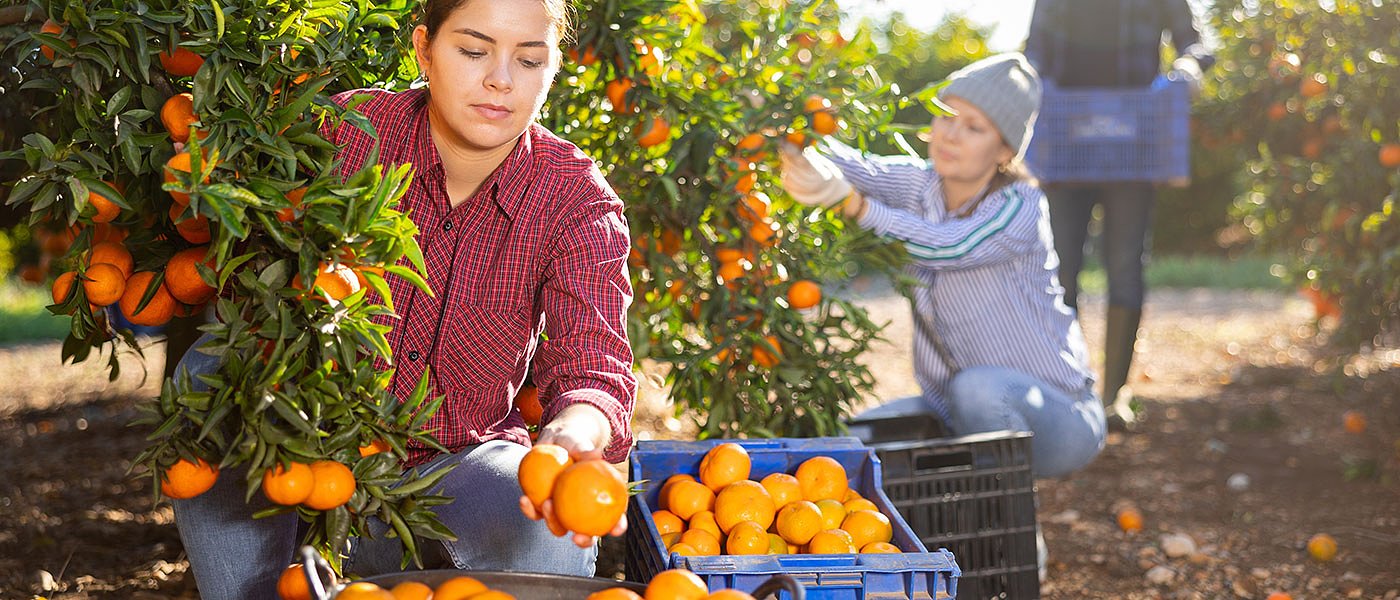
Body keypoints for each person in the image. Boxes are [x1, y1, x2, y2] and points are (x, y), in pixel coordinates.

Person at [170, 0, 636, 597]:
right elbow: (248, 289)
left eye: (529, 59)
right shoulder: (341, 136)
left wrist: (575, 428)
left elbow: (594, 358)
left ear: (552, 70)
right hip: (306, 465)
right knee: (208, 378)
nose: (501, 78)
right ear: (424, 49)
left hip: (457, 474)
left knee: (537, 511)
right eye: (473, 50)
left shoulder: (572, 196)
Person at [779, 53, 1105, 480]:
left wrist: (854, 204)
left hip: (1060, 419)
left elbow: (949, 246)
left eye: (974, 127)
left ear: (1004, 149)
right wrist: (784, 132)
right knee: (852, 442)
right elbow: (856, 165)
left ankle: (1015, 532)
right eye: (947, 116)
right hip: (956, 411)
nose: (951, 134)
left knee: (979, 390)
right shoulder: (919, 184)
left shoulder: (1020, 205)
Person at [1024, 0, 1215, 427]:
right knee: (1059, 272)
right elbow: (1034, 48)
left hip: (1134, 142)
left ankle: (1113, 397)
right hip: (1067, 140)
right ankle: (1068, 390)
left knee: (1126, 265)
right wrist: (1031, 74)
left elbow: (1196, 42)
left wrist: (1189, 66)